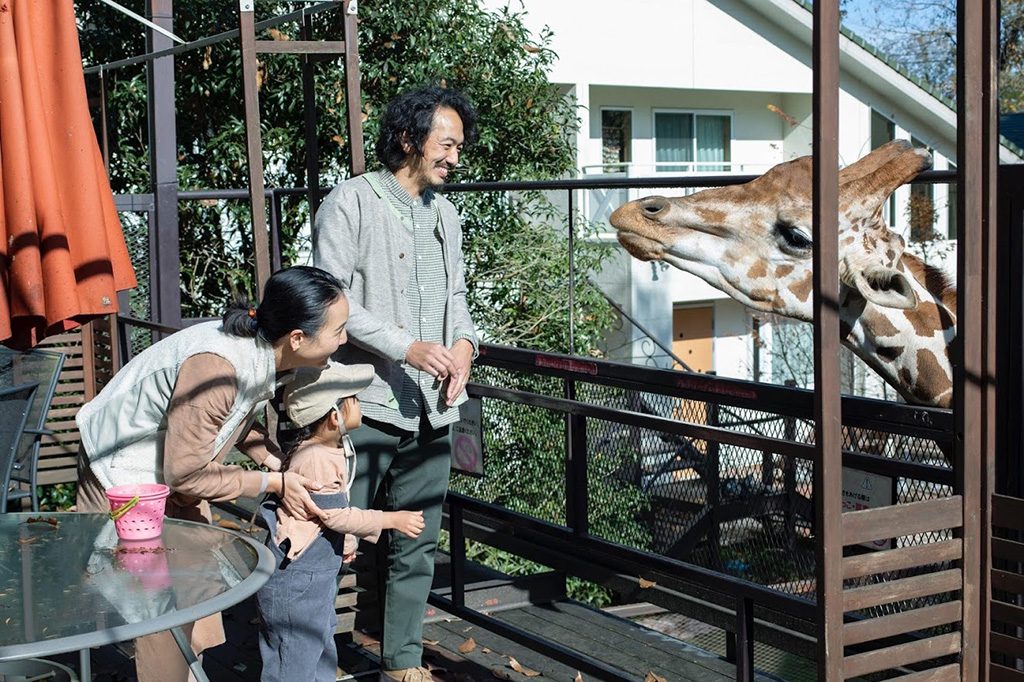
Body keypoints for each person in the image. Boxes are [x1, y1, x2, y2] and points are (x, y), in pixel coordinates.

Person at [74, 265, 349, 682]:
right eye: (338, 330)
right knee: (161, 611)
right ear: (297, 338)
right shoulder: (218, 369)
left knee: (199, 595)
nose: (344, 340)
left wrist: (275, 460)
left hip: (165, 471)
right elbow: (185, 474)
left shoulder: (257, 350)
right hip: (120, 474)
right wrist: (271, 482)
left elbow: (231, 420)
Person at [313, 84, 479, 682]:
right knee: (330, 539)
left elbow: (457, 300)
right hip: (363, 404)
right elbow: (330, 302)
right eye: (447, 144)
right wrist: (404, 346)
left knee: (416, 543)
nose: (455, 158)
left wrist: (463, 343)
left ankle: (402, 663)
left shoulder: (448, 215)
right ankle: (313, 660)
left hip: (434, 408)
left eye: (460, 147)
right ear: (408, 138)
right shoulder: (350, 203)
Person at [257, 362, 425, 682]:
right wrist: (392, 519)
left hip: (314, 577)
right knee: (293, 654)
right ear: (335, 416)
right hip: (297, 579)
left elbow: (328, 516)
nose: (361, 405)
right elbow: (336, 515)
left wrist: (345, 540)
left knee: (320, 641)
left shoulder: (331, 447)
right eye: (354, 400)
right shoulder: (317, 457)